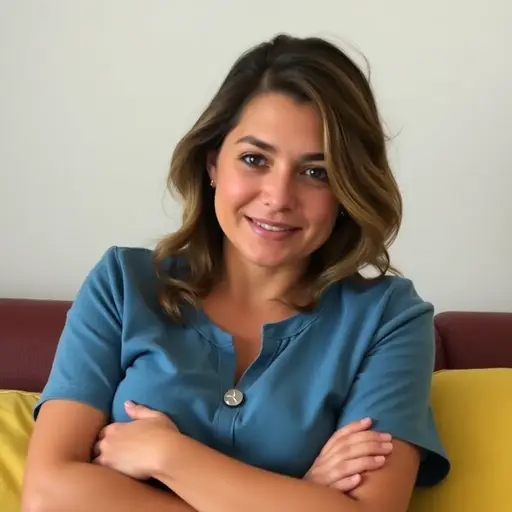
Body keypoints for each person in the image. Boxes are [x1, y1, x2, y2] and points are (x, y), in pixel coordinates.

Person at [21, 34, 450, 512]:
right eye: (254, 159)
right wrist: (303, 497)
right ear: (213, 164)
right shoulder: (122, 285)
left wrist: (169, 455)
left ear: (347, 188)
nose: (278, 197)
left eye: (316, 172)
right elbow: (47, 496)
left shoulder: (389, 318)